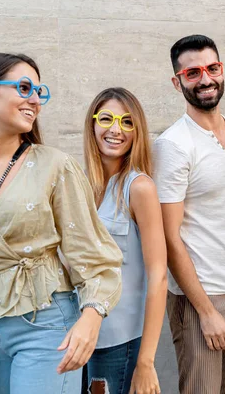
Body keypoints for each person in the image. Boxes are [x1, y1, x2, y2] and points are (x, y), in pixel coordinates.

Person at [0, 53, 122, 394]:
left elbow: (95, 257)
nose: (35, 100)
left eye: (39, 91)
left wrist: (91, 318)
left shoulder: (55, 166)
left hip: (46, 325)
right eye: (23, 88)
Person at [152, 34, 225, 394]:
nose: (205, 79)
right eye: (193, 73)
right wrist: (206, 311)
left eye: (212, 68)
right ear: (177, 81)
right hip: (201, 298)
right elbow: (169, 238)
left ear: (221, 69)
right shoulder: (172, 145)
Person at [82, 88, 167, 394]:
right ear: (93, 124)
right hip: (78, 335)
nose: (116, 129)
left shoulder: (139, 187)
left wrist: (146, 361)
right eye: (107, 118)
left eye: (127, 122)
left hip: (118, 342)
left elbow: (158, 275)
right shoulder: (83, 186)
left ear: (137, 131)